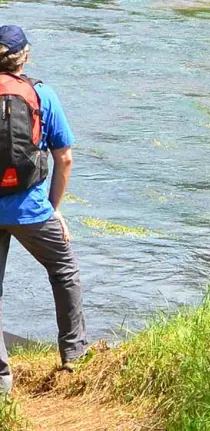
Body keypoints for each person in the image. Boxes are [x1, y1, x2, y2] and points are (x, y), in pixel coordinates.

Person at [0, 25, 88, 391]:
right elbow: (64, 158)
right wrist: (53, 208)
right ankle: (74, 357)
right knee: (64, 270)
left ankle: (1, 383)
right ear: (26, 56)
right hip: (31, 208)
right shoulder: (42, 94)